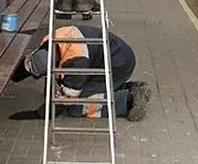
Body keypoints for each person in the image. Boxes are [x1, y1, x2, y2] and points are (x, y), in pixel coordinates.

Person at [10, 25, 151, 121]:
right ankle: (128, 87)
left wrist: (41, 113)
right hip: (113, 55)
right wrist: (10, 76)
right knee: (82, 89)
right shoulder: (51, 40)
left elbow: (67, 98)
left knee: (76, 107)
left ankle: (128, 99)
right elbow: (32, 64)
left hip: (118, 66)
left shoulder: (76, 63)